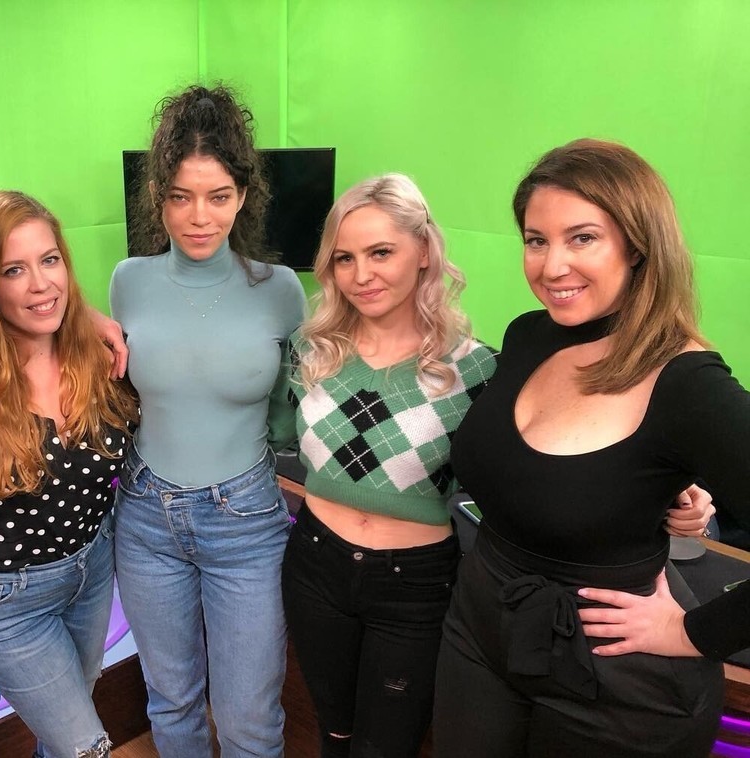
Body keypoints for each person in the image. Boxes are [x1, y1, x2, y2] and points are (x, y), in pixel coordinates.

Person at [434, 138, 750, 757]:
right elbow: (544, 473)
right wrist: (651, 488)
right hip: (480, 627)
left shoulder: (687, 382)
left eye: (582, 238)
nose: (552, 266)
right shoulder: (530, 335)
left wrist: (694, 633)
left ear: (638, 245)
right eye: (536, 240)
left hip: (613, 678)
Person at [109, 84, 306, 758]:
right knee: (171, 703)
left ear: (243, 196)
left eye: (218, 196)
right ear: (158, 196)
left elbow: (295, 407)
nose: (199, 217)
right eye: (181, 197)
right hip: (144, 518)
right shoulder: (127, 281)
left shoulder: (280, 290)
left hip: (245, 522)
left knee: (249, 720)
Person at [271, 174, 497, 758]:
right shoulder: (309, 349)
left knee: (386, 746)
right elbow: (272, 433)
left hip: (415, 587)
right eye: (344, 258)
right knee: (333, 732)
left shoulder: (476, 370)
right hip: (314, 566)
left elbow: (529, 472)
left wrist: (676, 501)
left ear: (423, 251)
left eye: (380, 252)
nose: (361, 275)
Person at [0, 190, 138, 758]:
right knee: (86, 746)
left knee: (66, 732)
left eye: (49, 260)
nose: (40, 284)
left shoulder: (98, 354)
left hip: (91, 571)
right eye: (13, 269)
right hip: (3, 596)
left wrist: (87, 316)